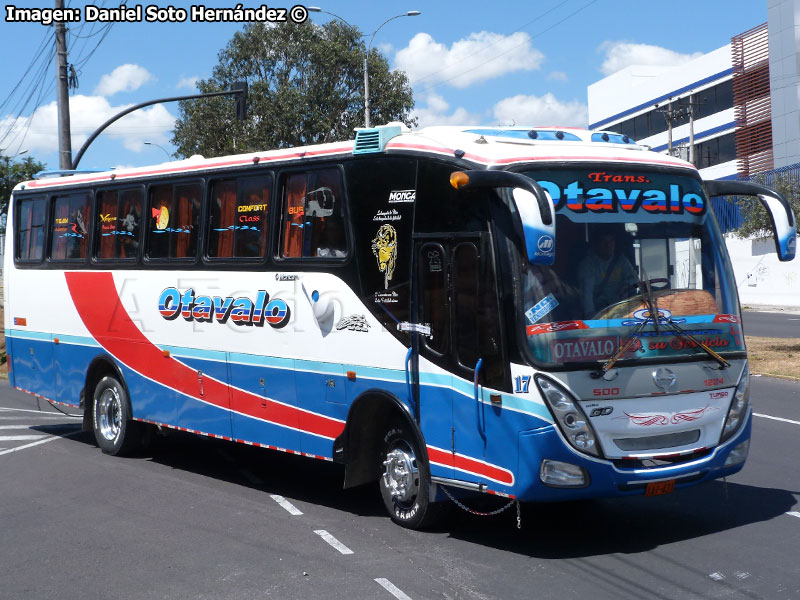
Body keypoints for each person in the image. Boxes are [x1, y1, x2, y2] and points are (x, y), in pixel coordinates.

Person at [578, 230, 638, 315]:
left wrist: (627, 285)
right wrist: (590, 316)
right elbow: (587, 293)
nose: (608, 245)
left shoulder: (622, 261)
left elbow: (636, 281)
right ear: (597, 244)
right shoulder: (588, 264)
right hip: (599, 311)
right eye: (604, 241)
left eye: (611, 241)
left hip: (621, 310)